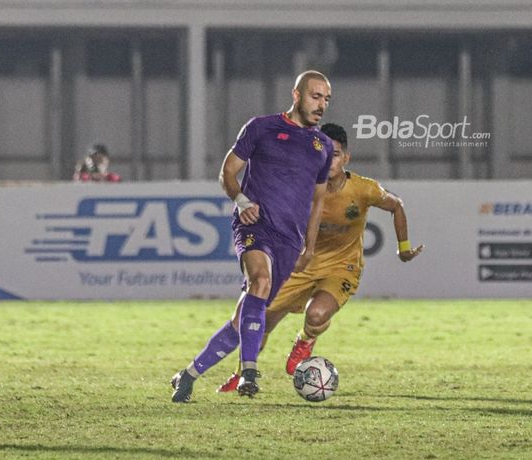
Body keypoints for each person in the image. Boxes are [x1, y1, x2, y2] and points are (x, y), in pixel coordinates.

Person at [216, 122, 424, 393]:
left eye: (335, 154)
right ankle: (243, 375)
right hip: (299, 264)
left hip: (341, 267)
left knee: (316, 314)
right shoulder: (298, 187)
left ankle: (305, 339)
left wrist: (404, 247)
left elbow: (396, 205)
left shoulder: (363, 189)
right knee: (262, 319)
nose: (327, 159)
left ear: (346, 158)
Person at [171, 70, 334, 401]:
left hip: (289, 239)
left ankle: (186, 376)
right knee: (259, 281)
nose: (321, 105)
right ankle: (249, 372)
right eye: (316, 96)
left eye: (326, 99)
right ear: (297, 95)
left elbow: (318, 201)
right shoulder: (261, 127)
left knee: (242, 319)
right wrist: (242, 201)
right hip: (253, 223)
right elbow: (227, 172)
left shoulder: (323, 146)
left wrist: (310, 246)